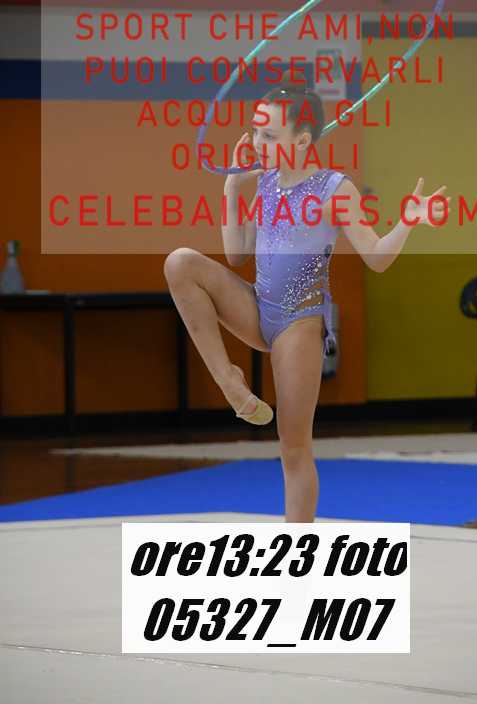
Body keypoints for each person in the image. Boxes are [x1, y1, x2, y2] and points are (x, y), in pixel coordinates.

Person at [163, 71, 450, 522]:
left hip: (299, 323)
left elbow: (376, 257)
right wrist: (233, 187)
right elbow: (237, 253)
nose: (256, 142)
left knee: (293, 448)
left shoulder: (335, 189)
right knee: (180, 263)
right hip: (257, 306)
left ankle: (299, 548)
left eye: (269, 134)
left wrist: (408, 221)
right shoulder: (267, 183)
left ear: (301, 139)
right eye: (256, 131)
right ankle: (228, 379)